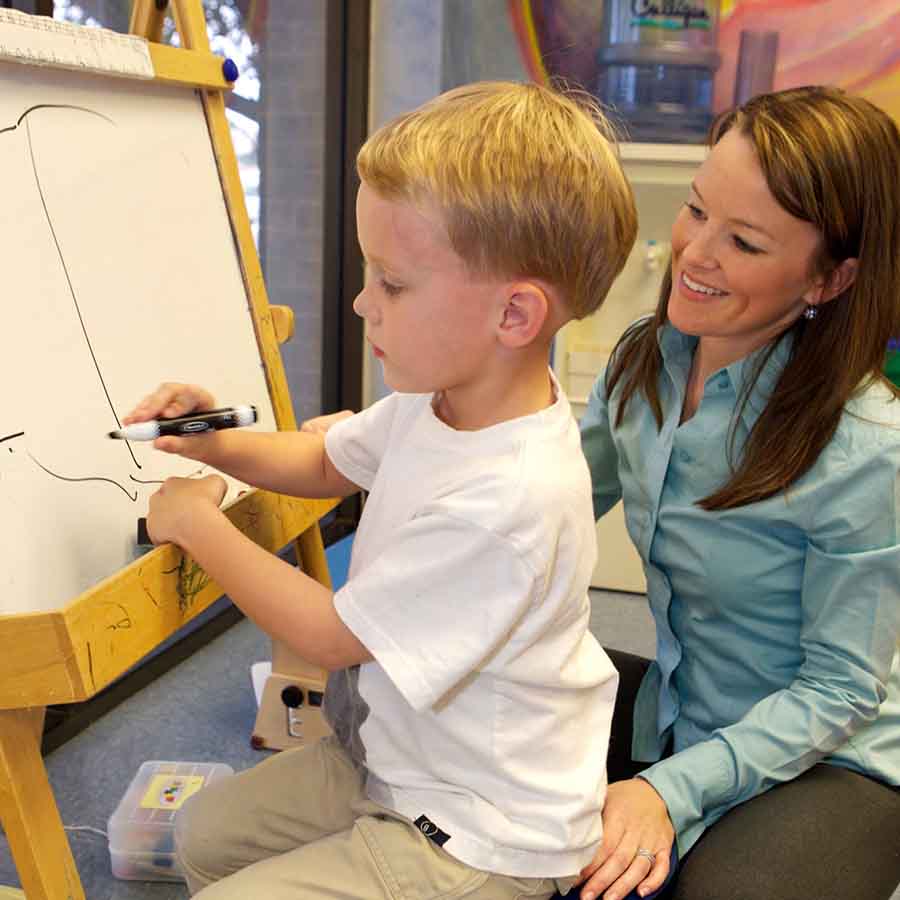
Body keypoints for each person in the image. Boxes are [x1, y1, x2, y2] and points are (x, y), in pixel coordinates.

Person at [124, 81, 639, 899]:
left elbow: (329, 639)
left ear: (514, 315)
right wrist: (213, 441)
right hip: (389, 762)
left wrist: (196, 524)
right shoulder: (432, 403)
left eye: (392, 283)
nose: (363, 301)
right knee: (202, 838)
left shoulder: (509, 499)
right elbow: (324, 464)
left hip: (474, 836)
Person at [576, 85, 900, 900]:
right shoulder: (641, 362)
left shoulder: (867, 447)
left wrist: (665, 790)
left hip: (835, 755)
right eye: (695, 209)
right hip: (682, 709)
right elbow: (540, 504)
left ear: (830, 279)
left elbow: (838, 691)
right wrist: (384, 444)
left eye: (744, 242)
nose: (693, 253)